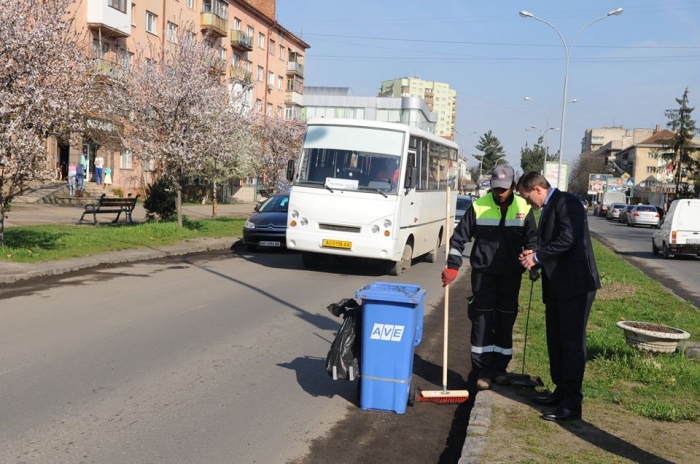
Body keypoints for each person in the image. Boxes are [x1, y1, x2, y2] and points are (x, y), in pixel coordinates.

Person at [441, 164, 538, 391]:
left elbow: (533, 241)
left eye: (504, 189)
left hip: (511, 276)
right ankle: (482, 371)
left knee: (505, 322)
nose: (500, 193)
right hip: (483, 275)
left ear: (513, 187)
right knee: (482, 322)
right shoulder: (478, 206)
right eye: (496, 188)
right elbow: (458, 240)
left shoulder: (524, 207)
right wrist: (453, 267)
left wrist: (533, 263)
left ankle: (499, 369)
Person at [516, 171, 600, 422]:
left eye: (527, 197)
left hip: (575, 285)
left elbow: (568, 239)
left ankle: (572, 404)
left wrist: (538, 257)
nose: (528, 203)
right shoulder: (550, 206)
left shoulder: (568, 203)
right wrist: (534, 255)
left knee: (572, 345)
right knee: (556, 341)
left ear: (538, 190)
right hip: (557, 286)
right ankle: (560, 392)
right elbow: (552, 243)